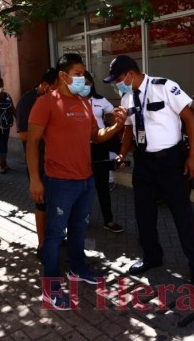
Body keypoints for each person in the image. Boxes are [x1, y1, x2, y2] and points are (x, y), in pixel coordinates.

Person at [27, 53, 127, 310]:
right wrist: (35, 180)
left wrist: (116, 126)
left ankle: (78, 270)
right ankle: (51, 288)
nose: (83, 78)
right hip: (59, 182)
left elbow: (97, 136)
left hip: (85, 180)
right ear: (63, 75)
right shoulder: (46, 103)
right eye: (78, 73)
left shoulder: (84, 103)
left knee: (79, 230)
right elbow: (31, 143)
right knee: (53, 235)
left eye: (84, 73)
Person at [103, 55, 194, 291]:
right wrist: (122, 153)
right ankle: (152, 256)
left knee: (182, 215)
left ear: (130, 74)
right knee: (143, 213)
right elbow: (130, 129)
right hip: (143, 163)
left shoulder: (164, 87)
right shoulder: (127, 96)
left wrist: (193, 156)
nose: (117, 84)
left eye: (119, 79)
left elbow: (190, 120)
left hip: (170, 161)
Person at [16, 68, 58, 261]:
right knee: (42, 205)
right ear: (45, 85)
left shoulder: (57, 99)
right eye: (55, 87)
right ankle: (42, 244)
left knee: (56, 203)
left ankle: (56, 238)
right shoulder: (27, 102)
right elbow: (24, 135)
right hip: (39, 163)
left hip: (58, 162)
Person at [83, 71, 123, 233]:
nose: (83, 86)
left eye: (86, 82)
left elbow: (115, 115)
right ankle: (82, 217)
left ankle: (109, 219)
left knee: (102, 185)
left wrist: (113, 126)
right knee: (83, 186)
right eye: (80, 82)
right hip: (81, 147)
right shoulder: (72, 101)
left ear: (91, 83)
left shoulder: (100, 100)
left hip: (99, 146)